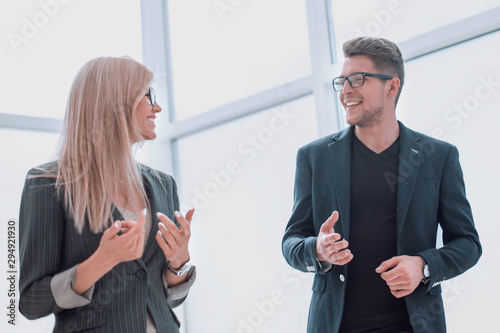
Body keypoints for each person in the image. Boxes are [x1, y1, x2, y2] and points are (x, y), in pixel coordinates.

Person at [281, 36, 481, 333]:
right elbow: (291, 242)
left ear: (391, 86)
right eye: (342, 81)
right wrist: (318, 250)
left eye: (357, 79)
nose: (346, 91)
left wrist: (423, 266)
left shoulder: (438, 157)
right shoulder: (314, 158)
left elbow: (468, 243)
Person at [19, 56, 195, 333]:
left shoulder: (164, 184)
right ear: (116, 101)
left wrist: (179, 262)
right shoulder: (48, 183)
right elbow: (31, 301)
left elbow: (165, 300)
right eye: (148, 95)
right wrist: (103, 260)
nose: (157, 106)